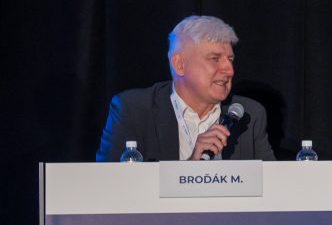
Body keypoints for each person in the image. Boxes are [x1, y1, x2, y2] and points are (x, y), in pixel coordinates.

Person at [96, 15, 275, 162]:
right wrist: (190, 167)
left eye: (230, 59)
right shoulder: (133, 110)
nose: (229, 70)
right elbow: (109, 184)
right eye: (215, 58)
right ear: (179, 65)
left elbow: (270, 185)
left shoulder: (250, 114)